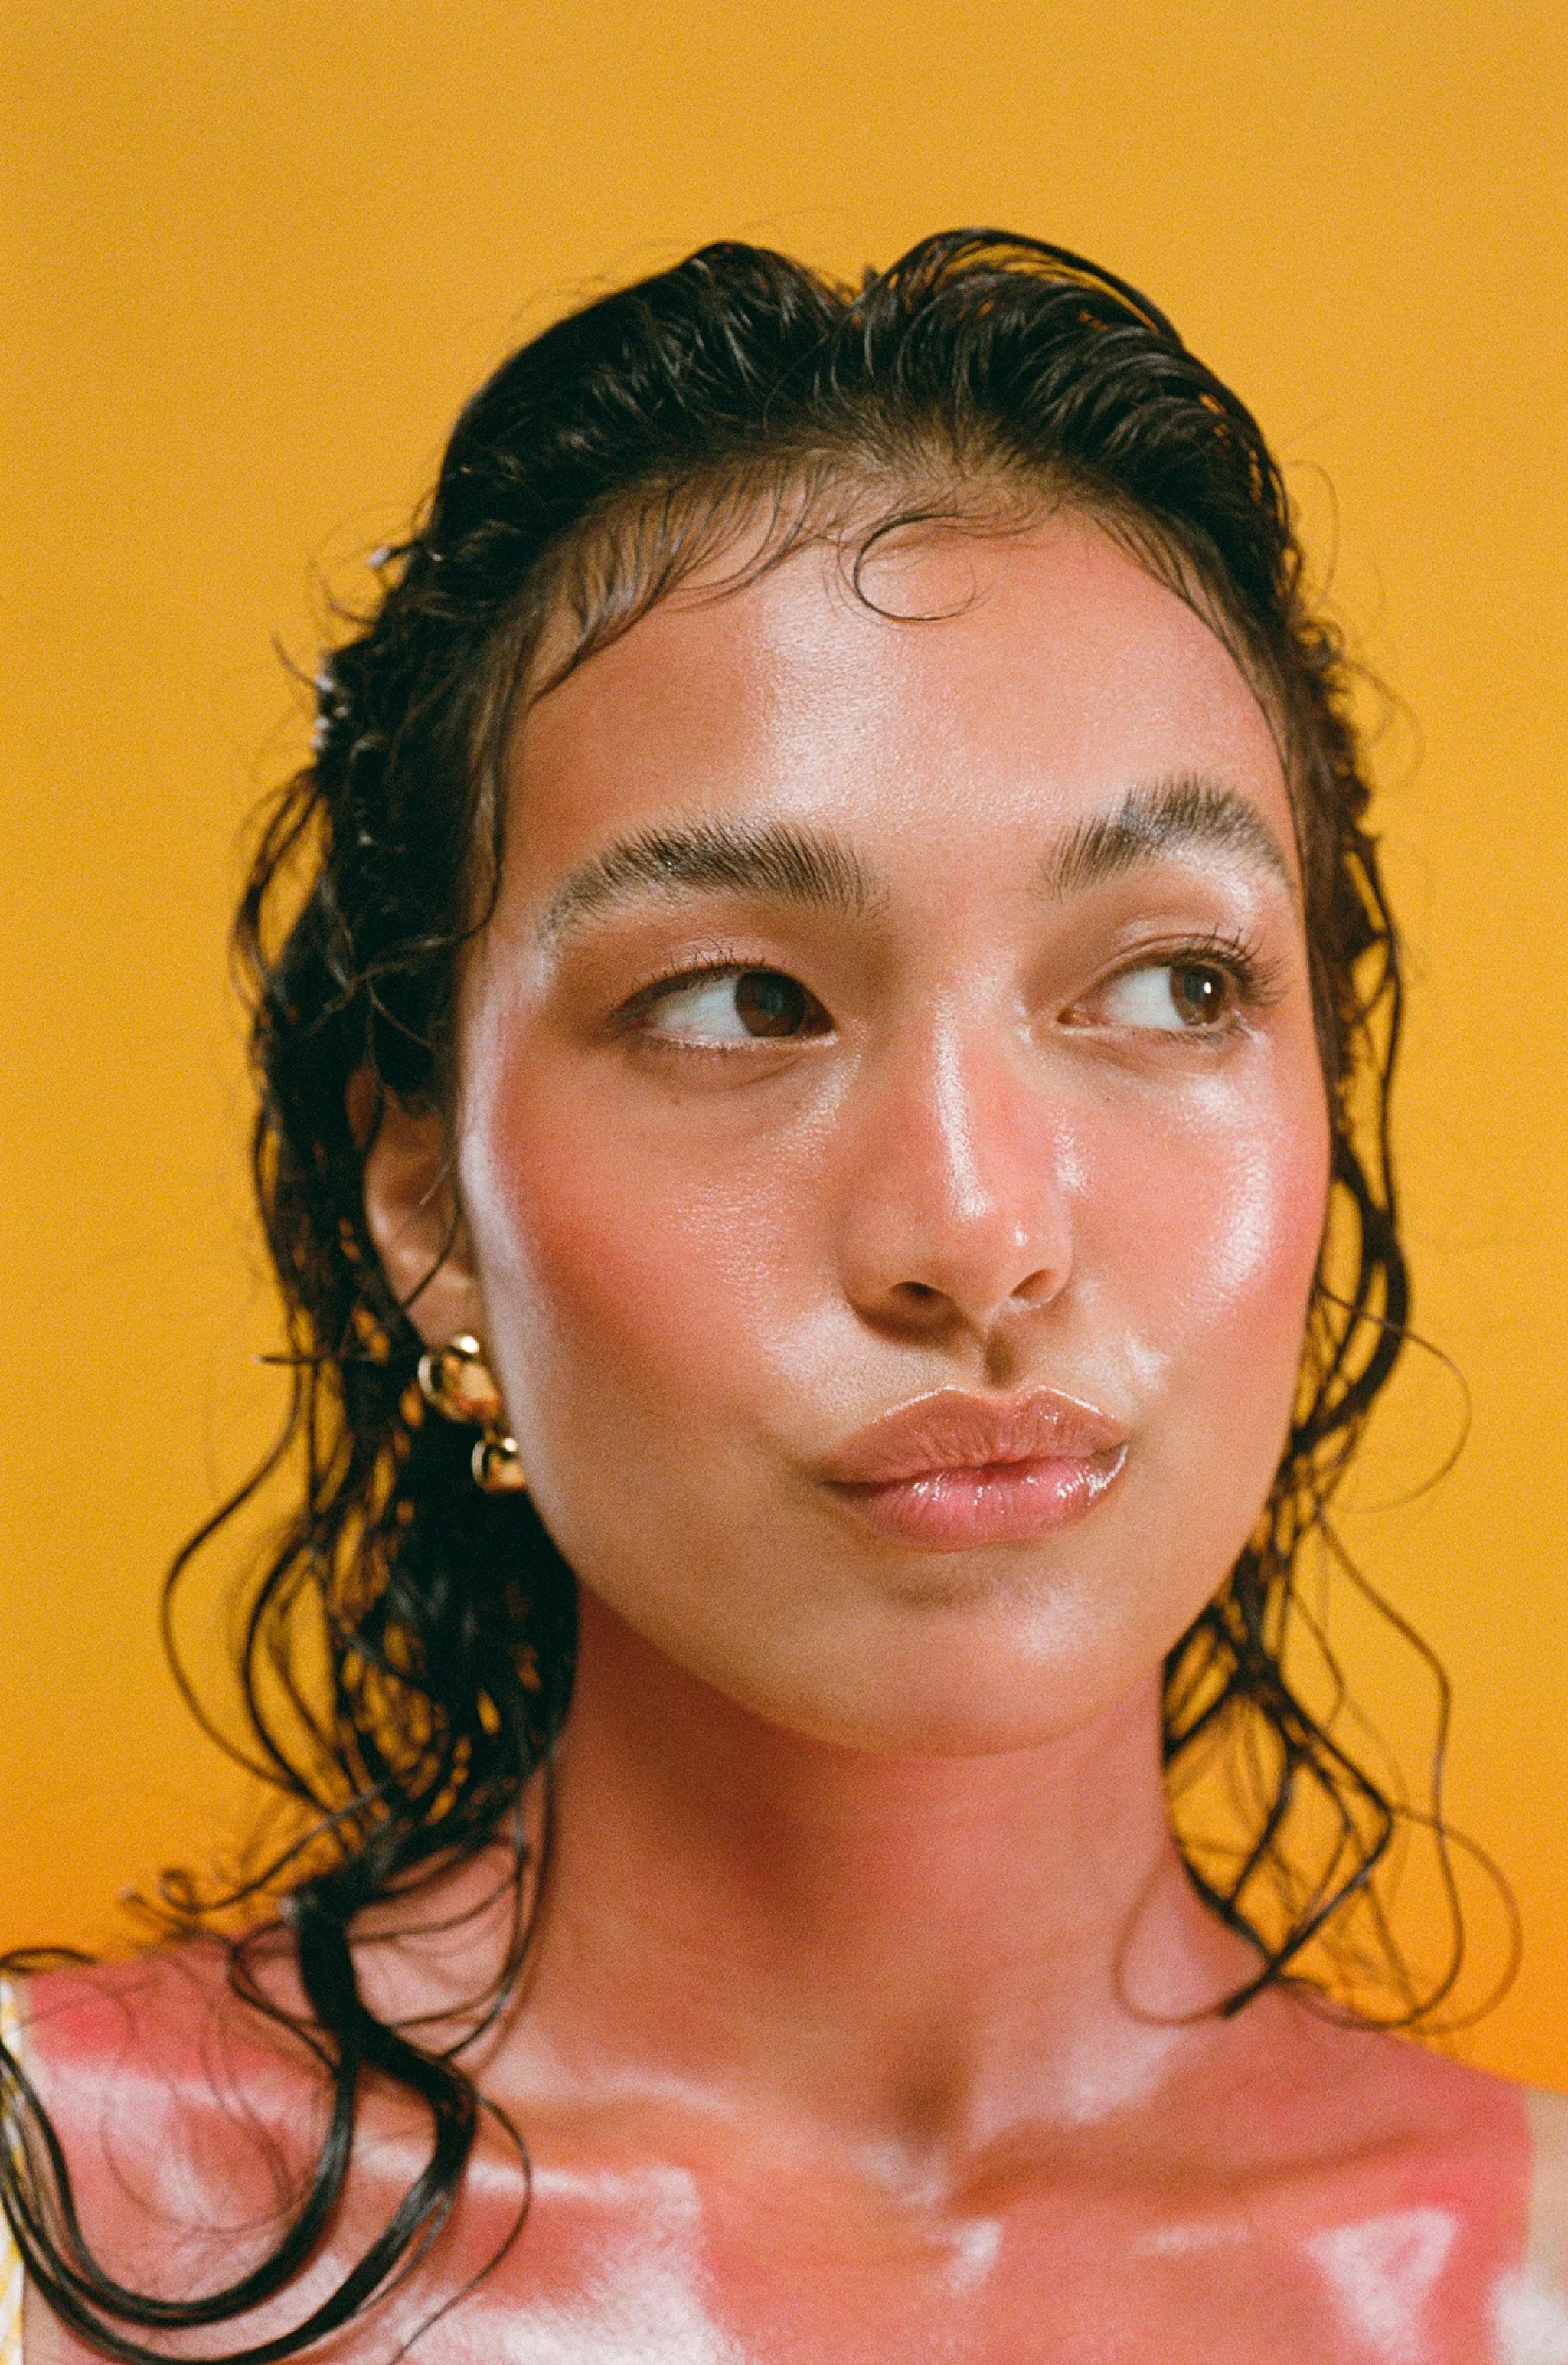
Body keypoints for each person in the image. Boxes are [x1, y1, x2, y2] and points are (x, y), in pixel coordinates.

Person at [1, 229, 1560, 2363]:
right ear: (423, 1195)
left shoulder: (1524, 2279)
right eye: (741, 1004)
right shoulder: (51, 2217)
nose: (979, 1230)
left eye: (1173, 985)